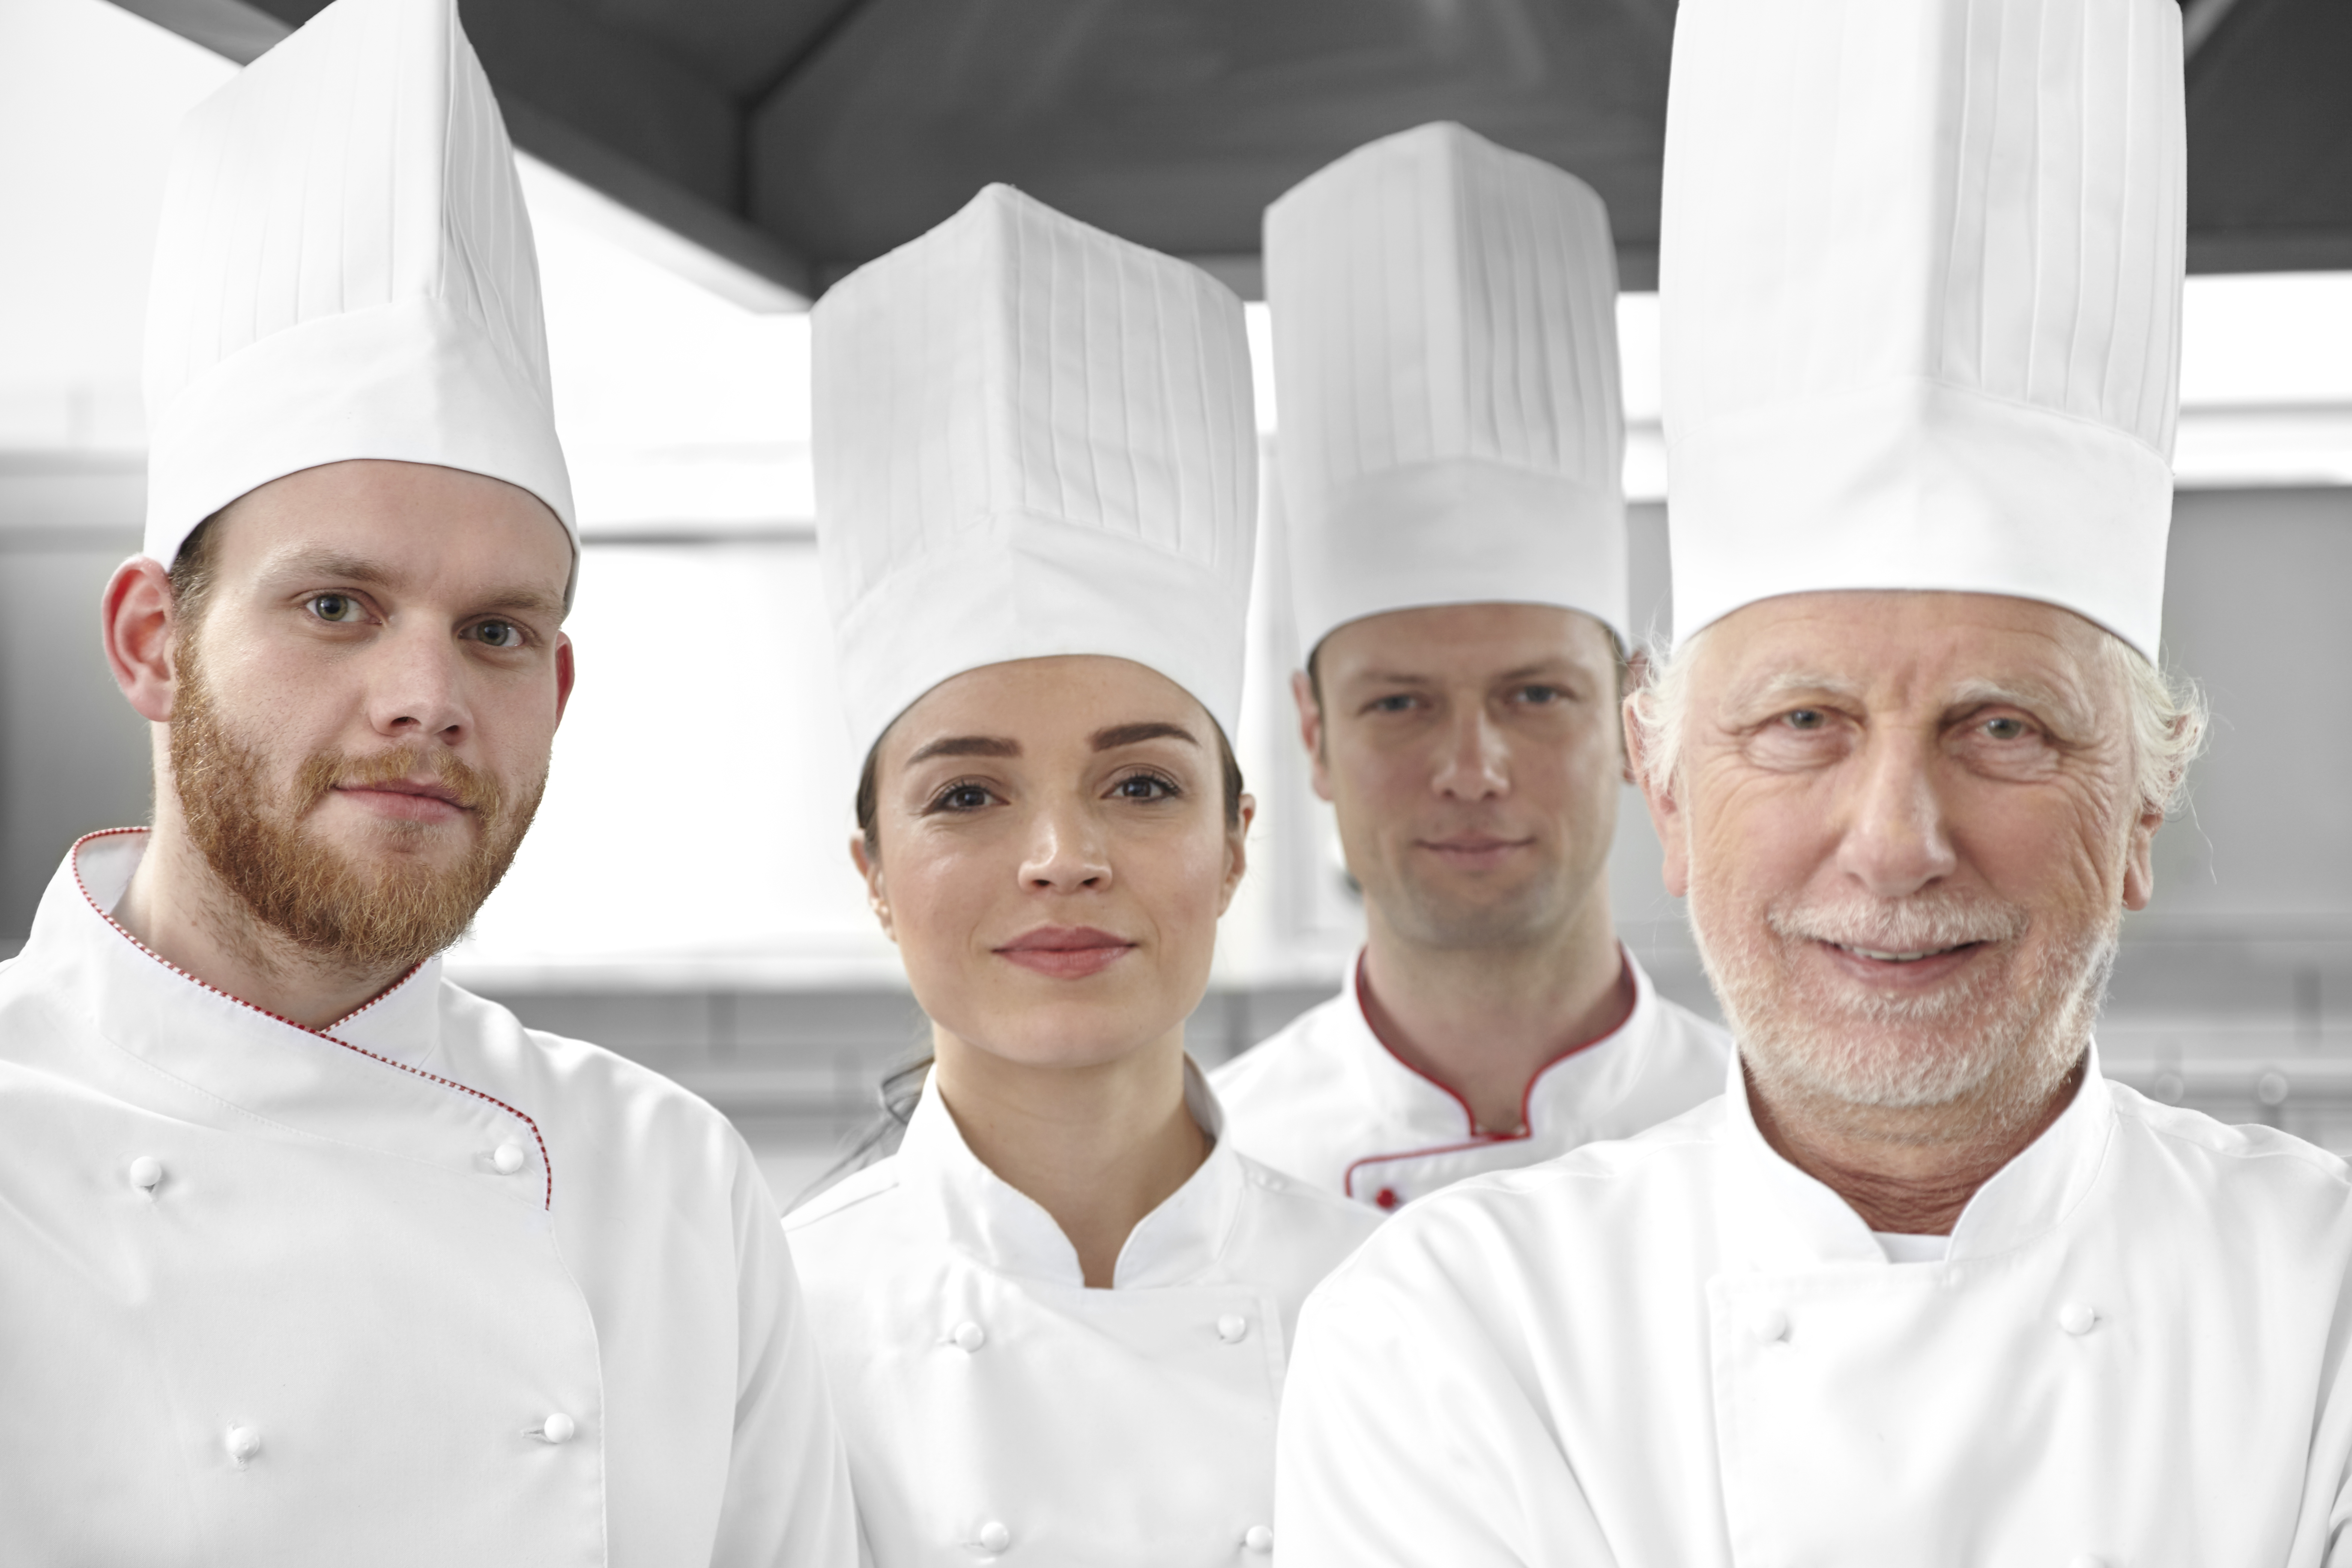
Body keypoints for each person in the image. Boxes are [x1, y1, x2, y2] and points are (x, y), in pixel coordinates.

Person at [1276, 2, 2352, 1561]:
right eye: (1800, 727)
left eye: (2003, 727)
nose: (1897, 842)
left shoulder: (2321, 1303)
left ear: (2141, 810)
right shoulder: (1455, 1326)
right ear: (1668, 804)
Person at [0, 0, 855, 1558]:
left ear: (562, 689)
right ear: (150, 642)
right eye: (337, 606)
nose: (428, 698)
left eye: (498, 630)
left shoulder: (666, 1186)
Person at [782, 182, 1380, 1567]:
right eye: (970, 795)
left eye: (1139, 785)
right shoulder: (769, 1328)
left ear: (1237, 839)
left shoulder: (1395, 1305)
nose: (1061, 857)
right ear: (872, 868)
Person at [1212, 122, 1729, 1212]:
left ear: (1639, 720)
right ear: (1312, 735)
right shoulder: (1211, 1169)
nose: (1471, 768)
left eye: (1534, 696)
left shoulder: (1769, 1137)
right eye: (1398, 703)